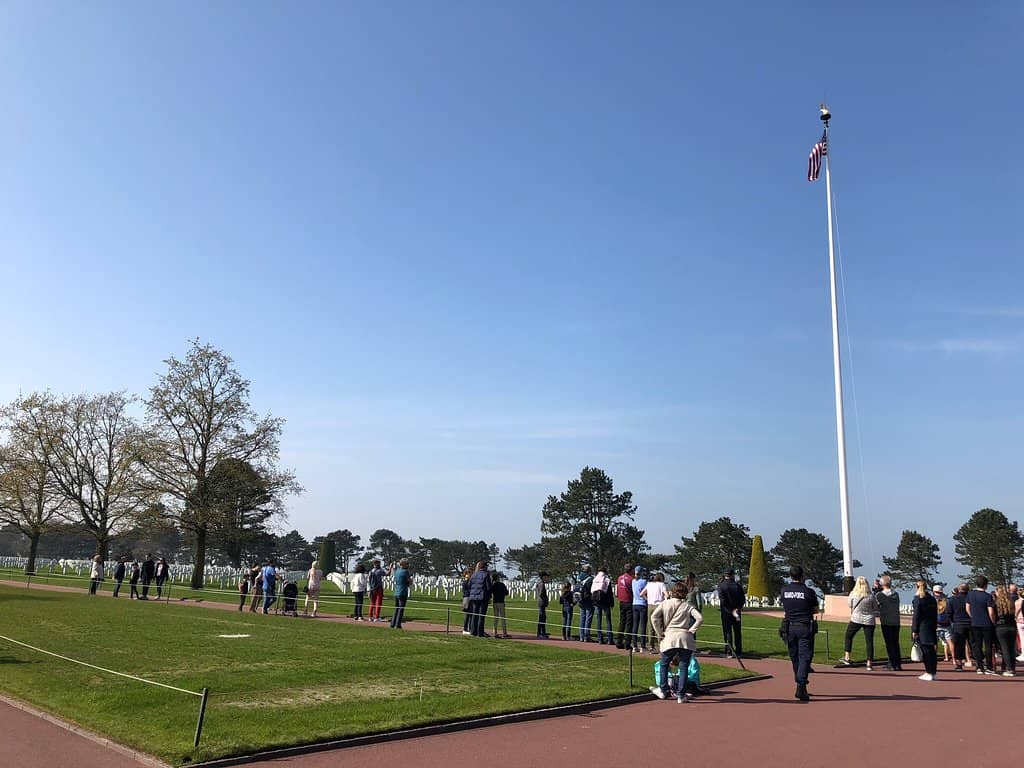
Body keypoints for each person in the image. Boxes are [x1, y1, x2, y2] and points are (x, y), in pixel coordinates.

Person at [648, 581, 704, 703]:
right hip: (685, 637)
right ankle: (681, 695)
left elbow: (654, 617)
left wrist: (659, 632)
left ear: (673, 592)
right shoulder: (687, 606)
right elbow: (700, 618)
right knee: (684, 666)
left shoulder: (665, 603)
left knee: (664, 663)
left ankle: (663, 690)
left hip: (669, 636)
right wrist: (692, 630)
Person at [781, 565, 819, 701]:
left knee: (794, 657)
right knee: (805, 657)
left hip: (789, 627)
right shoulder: (808, 592)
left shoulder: (784, 590)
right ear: (802, 576)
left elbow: (785, 606)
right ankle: (801, 684)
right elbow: (815, 610)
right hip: (804, 626)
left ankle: (799, 683)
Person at [840, 576, 877, 670]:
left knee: (848, 636)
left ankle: (847, 656)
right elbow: (875, 607)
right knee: (869, 641)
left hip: (856, 618)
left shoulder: (853, 594)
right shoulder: (870, 595)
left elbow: (849, 605)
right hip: (869, 620)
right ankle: (869, 662)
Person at [965, 576, 996, 675]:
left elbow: (967, 608)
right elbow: (990, 612)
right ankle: (989, 666)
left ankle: (979, 666)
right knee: (988, 645)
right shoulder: (987, 596)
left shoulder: (970, 594)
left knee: (977, 645)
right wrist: (993, 621)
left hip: (975, 623)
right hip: (986, 623)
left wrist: (972, 617)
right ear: (986, 585)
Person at [911, 580, 938, 681]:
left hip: (923, 627)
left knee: (926, 651)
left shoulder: (918, 599)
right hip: (931, 626)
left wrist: (914, 629)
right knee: (931, 651)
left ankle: (929, 671)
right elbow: (935, 614)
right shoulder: (931, 599)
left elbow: (916, 616)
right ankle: (933, 671)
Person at [875, 575, 902, 671]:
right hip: (896, 621)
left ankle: (892, 663)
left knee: (889, 643)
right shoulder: (896, 594)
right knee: (895, 642)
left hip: (886, 621)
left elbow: (876, 606)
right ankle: (898, 663)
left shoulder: (880, 595)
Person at [717, 569, 746, 658]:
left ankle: (729, 651)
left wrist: (728, 610)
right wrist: (737, 609)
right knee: (737, 631)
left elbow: (722, 600)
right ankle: (739, 651)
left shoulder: (721, 586)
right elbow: (742, 599)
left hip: (726, 612)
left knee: (727, 631)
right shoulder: (738, 586)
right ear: (733, 575)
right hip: (736, 612)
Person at [993, 585, 1017, 677]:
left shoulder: (996, 603)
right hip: (1011, 626)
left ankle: (1009, 669)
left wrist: (994, 622)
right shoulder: (1011, 602)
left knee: (1005, 648)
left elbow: (993, 614)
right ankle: (1012, 668)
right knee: (1012, 648)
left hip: (1001, 626)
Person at [947, 583, 971, 670]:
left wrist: (953, 621)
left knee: (958, 645)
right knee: (974, 644)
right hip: (971, 623)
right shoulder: (971, 598)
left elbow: (949, 612)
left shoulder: (952, 599)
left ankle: (959, 664)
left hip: (958, 623)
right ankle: (979, 663)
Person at [642, 573, 667, 653]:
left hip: (650, 605)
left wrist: (647, 599)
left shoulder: (649, 584)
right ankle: (661, 645)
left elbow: (641, 594)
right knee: (659, 626)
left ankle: (651, 646)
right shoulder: (661, 585)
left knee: (650, 626)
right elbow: (666, 595)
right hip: (658, 605)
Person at [467, 561, 492, 637]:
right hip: (482, 597)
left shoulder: (474, 574)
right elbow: (489, 587)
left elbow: (469, 585)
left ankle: (473, 631)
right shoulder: (486, 574)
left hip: (474, 597)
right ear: (484, 567)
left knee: (475, 615)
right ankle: (480, 632)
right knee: (481, 615)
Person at [590, 565, 613, 645]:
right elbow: (609, 593)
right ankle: (610, 638)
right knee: (608, 620)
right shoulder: (606, 579)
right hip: (605, 602)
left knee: (598, 620)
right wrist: (611, 603)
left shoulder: (595, 579)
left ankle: (600, 639)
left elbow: (592, 591)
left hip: (596, 602)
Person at [615, 563, 634, 649]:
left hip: (621, 601)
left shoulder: (619, 578)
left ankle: (619, 641)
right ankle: (627, 643)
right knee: (629, 623)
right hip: (629, 601)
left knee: (622, 621)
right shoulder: (631, 579)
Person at [630, 567, 649, 652]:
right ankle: (642, 645)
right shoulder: (644, 582)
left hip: (635, 603)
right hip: (642, 604)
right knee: (642, 625)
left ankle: (634, 645)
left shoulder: (633, 581)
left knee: (635, 625)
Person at [390, 558, 411, 629]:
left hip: (396, 591)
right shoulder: (405, 572)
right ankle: (398, 624)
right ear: (403, 564)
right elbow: (409, 581)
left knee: (396, 608)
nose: (408, 565)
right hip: (403, 591)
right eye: (407, 564)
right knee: (401, 609)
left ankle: (392, 623)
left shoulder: (397, 571)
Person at [933, 585, 953, 663]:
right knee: (950, 641)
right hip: (946, 623)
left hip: (936, 623)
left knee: (935, 642)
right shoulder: (947, 600)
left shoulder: (932, 600)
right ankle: (954, 659)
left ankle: (933, 658)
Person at [577, 565, 595, 642]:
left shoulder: (579, 577)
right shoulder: (590, 579)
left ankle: (581, 636)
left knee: (582, 618)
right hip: (588, 600)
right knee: (588, 618)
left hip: (580, 599)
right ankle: (586, 636)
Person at [490, 572, 509, 638]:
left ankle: (495, 632)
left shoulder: (493, 585)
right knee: (503, 618)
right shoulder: (502, 584)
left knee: (495, 617)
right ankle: (504, 633)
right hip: (501, 602)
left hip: (495, 602)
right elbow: (506, 593)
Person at [536, 572, 550, 639]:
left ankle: (542, 632)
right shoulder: (541, 584)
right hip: (542, 602)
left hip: (541, 602)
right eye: (546, 576)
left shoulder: (539, 583)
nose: (547, 578)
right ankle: (541, 633)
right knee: (542, 618)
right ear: (543, 577)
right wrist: (545, 599)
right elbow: (541, 593)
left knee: (542, 617)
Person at [460, 568, 473, 635]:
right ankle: (465, 629)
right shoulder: (466, 581)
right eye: (470, 573)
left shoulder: (469, 581)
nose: (471, 574)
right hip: (467, 598)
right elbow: (466, 591)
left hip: (469, 598)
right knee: (467, 614)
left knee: (470, 614)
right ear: (466, 574)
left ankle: (470, 628)